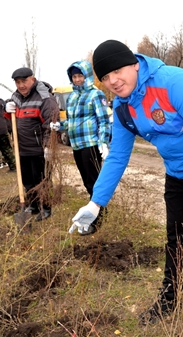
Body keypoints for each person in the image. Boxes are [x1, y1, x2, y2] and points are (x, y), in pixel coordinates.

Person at [68, 40, 183, 332]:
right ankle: (169, 298)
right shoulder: (123, 108)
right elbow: (118, 157)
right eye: (105, 77)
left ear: (135, 64)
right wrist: (95, 202)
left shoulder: (176, 83)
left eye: (117, 71)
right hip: (177, 173)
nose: (113, 81)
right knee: (176, 238)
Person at [62, 61, 111, 235]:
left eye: (80, 76)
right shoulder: (72, 98)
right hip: (76, 144)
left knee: (93, 182)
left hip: (90, 144)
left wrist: (103, 141)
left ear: (87, 76)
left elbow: (103, 120)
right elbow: (71, 121)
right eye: (74, 77)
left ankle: (97, 217)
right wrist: (59, 126)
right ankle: (94, 211)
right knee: (86, 182)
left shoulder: (95, 95)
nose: (77, 80)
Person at [5, 67, 60, 222]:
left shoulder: (44, 98)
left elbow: (51, 123)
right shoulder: (15, 97)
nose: (21, 85)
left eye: (24, 81)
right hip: (21, 148)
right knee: (27, 179)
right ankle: (34, 205)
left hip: (38, 149)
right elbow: (10, 119)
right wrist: (5, 108)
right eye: (18, 82)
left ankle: (46, 207)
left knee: (41, 180)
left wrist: (49, 145)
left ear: (33, 79)